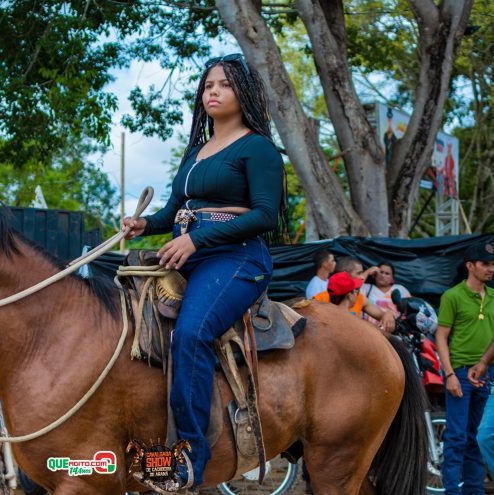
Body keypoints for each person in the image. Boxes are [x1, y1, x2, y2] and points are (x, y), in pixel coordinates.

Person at [122, 52, 286, 493]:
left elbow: (266, 216)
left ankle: (190, 459)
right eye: (208, 85)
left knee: (190, 334)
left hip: (238, 259)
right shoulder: (196, 152)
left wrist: (196, 240)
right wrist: (145, 225)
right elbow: (175, 214)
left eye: (224, 85)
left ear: (244, 94)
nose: (212, 91)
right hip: (186, 254)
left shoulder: (257, 148)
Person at [437, 242, 494, 494]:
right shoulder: (452, 296)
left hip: (485, 373)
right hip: (458, 371)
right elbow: (441, 337)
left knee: (474, 438)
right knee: (457, 438)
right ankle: (452, 491)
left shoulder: (493, 296)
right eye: (485, 264)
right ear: (470, 266)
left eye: (492, 264)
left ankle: (475, 490)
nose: (490, 269)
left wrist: (483, 363)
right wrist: (449, 374)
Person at [312, 257, 395, 334]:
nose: (362, 277)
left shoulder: (358, 297)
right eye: (359, 273)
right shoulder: (319, 300)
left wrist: (389, 314)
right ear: (344, 274)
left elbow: (381, 315)